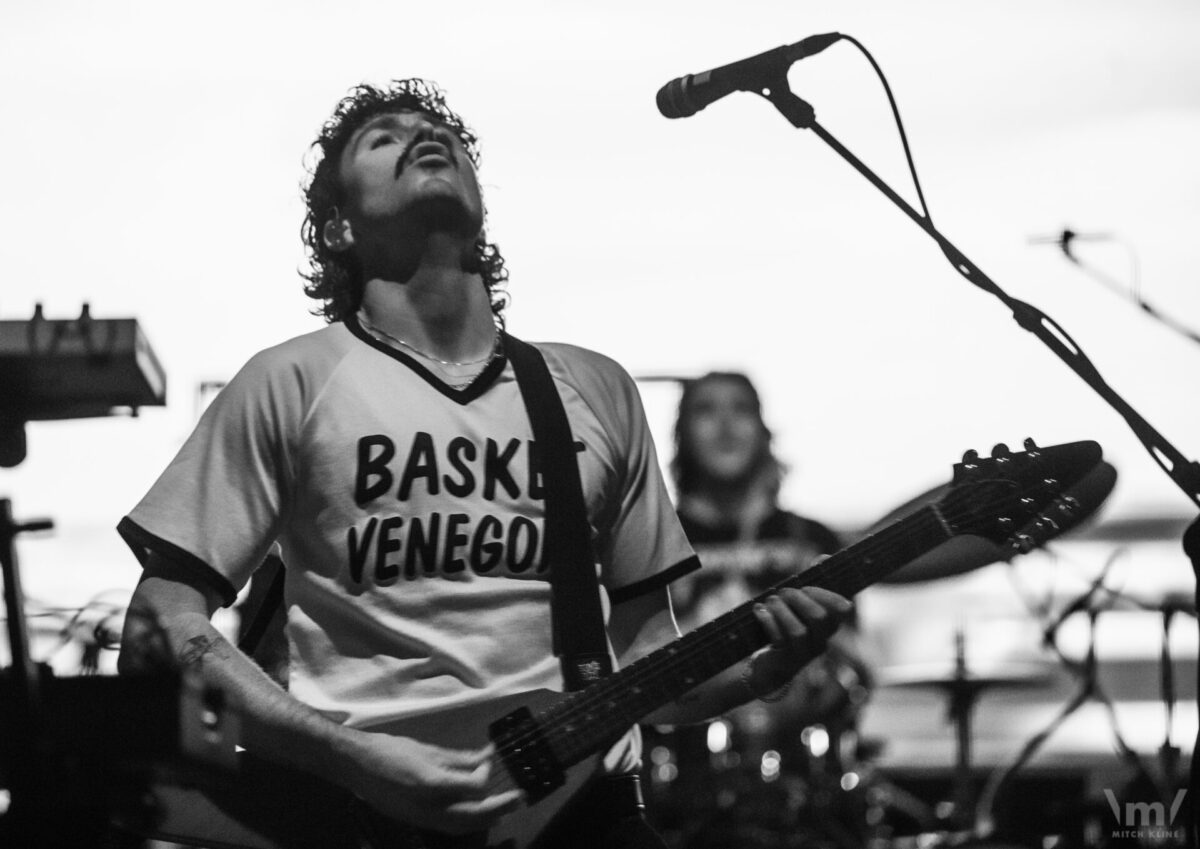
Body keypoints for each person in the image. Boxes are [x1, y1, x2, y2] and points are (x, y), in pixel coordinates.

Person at [115, 80, 850, 848]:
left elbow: (647, 663)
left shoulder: (592, 389)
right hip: (357, 811)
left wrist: (763, 671)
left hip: (578, 812)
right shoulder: (290, 381)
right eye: (383, 138)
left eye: (437, 129)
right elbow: (159, 621)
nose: (421, 134)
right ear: (337, 228)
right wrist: (354, 758)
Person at [646, 371, 870, 848]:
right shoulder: (652, 547)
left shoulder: (812, 542)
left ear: (764, 431)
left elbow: (854, 667)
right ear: (681, 435)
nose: (726, 424)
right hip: (681, 790)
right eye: (706, 411)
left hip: (805, 791)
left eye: (741, 409)